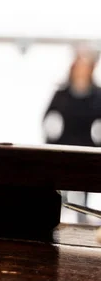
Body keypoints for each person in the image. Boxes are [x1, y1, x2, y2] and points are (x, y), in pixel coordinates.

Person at [43, 46, 101, 221]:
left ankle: (81, 216)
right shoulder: (62, 94)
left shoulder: (97, 95)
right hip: (63, 145)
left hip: (87, 146)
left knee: (83, 189)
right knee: (61, 189)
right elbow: (47, 118)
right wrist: (51, 141)